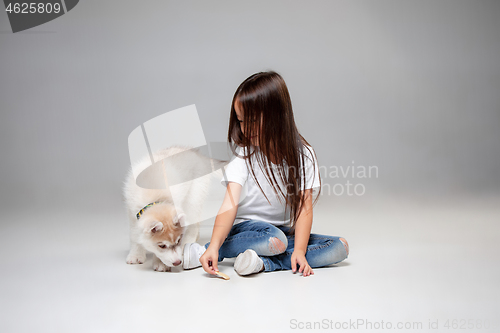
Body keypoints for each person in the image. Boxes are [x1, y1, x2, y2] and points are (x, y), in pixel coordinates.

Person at [183, 71, 349, 277]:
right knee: (274, 238)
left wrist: (299, 251)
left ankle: (260, 263)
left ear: (277, 115)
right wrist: (215, 245)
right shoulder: (245, 155)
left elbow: (304, 208)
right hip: (247, 230)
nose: (245, 129)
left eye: (252, 120)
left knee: (338, 247)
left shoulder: (304, 155)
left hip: (279, 231)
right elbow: (229, 205)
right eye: (241, 121)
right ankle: (206, 250)